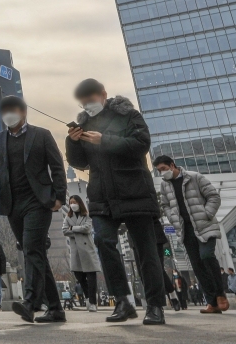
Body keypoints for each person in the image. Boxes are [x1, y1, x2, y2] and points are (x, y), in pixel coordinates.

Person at [65, 79, 166, 326]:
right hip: (101, 195)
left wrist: (105, 140)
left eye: (91, 99)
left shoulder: (128, 115)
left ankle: (154, 305)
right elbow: (79, 163)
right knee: (103, 241)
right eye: (83, 101)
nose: (87, 105)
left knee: (145, 249)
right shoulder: (84, 123)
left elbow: (141, 144)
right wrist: (73, 141)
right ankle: (122, 301)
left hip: (134, 191)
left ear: (103, 94)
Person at [0, 95, 67, 323]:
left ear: (23, 112)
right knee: (35, 252)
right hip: (13, 205)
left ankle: (30, 302)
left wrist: (60, 196)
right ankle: (56, 308)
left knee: (31, 249)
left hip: (38, 202)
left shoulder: (42, 135)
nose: (9, 114)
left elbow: (57, 167)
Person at [154, 155, 228, 314]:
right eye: (159, 170)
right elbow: (165, 205)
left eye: (163, 169)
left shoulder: (194, 177)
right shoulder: (165, 185)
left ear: (172, 165)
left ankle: (221, 293)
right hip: (185, 230)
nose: (162, 173)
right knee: (197, 266)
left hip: (204, 226)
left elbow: (213, 196)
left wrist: (206, 213)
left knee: (207, 256)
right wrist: (174, 220)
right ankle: (212, 302)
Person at [62, 195, 101, 313]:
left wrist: (73, 228)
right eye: (71, 202)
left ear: (79, 203)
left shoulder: (87, 215)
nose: (72, 204)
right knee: (80, 277)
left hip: (87, 249)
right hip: (76, 251)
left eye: (74, 202)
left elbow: (87, 228)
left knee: (91, 277)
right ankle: (88, 298)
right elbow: (64, 231)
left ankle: (93, 302)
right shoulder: (68, 217)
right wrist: (79, 230)